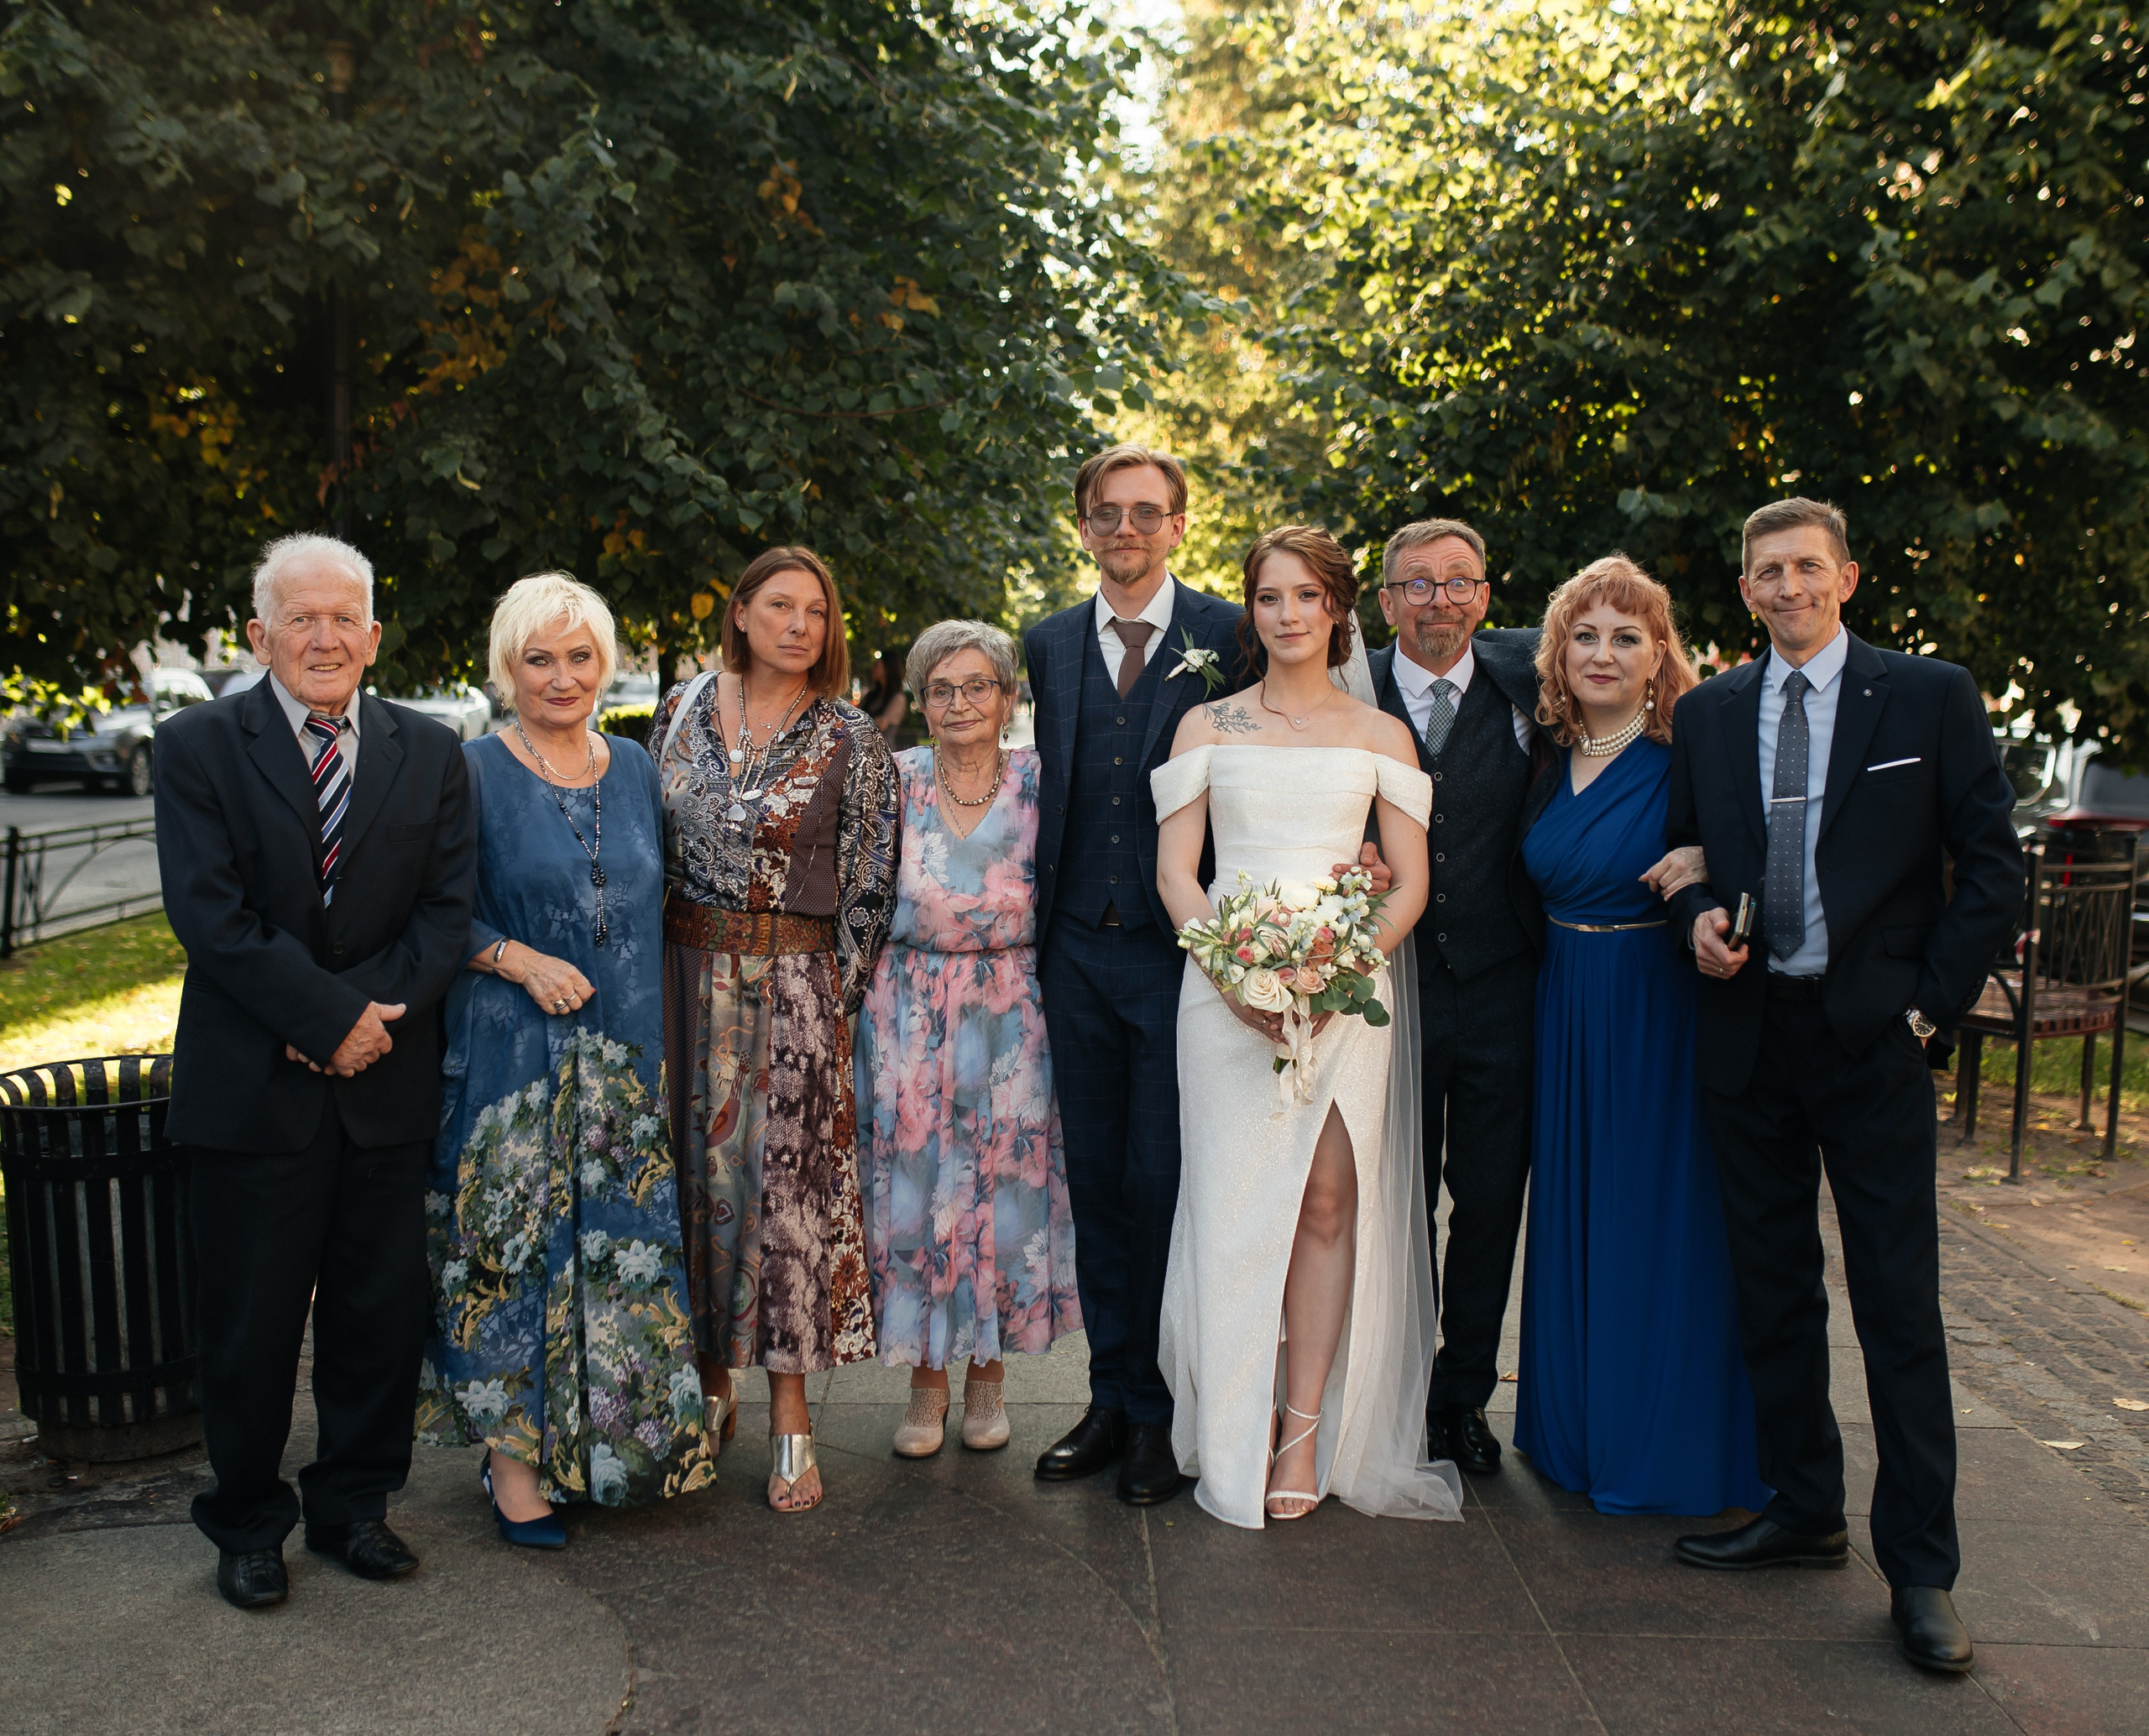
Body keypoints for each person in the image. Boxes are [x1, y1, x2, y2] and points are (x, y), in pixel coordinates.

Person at [1663, 498, 2023, 1674]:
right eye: (1768, 569)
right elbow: (1685, 859)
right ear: (1748, 588)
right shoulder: (1710, 712)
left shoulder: (1929, 696)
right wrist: (1696, 920)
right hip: (1748, 1035)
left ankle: (1922, 1571)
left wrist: (1926, 1003)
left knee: (1898, 1309)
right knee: (1772, 1292)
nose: (1789, 585)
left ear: (1848, 578)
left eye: (1808, 566)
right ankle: (1803, 1507)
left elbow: (1992, 870)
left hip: (1872, 1039)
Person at [154, 532, 478, 1609]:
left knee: (376, 1316)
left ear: (375, 635)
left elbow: (444, 914)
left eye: (345, 618)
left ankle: (354, 1505)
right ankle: (247, 1523)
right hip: (255, 1087)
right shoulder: (197, 745)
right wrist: (323, 1016)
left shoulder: (433, 752)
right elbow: (212, 917)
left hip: (384, 1085)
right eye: (302, 617)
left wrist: (359, 1022)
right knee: (248, 1325)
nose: (325, 637)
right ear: (260, 635)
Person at [1153, 525, 1459, 1528]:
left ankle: (1300, 1425)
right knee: (1235, 1206)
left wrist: (1335, 976)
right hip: (1225, 997)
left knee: (1327, 1202)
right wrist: (1238, 977)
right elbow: (1177, 875)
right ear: (1251, 610)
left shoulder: (1380, 739)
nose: (1287, 615)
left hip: (1341, 996)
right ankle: (1228, 1419)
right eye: (1269, 598)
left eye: (1306, 597)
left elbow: (1408, 881)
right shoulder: (1207, 727)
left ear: (1337, 611)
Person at [416, 573, 714, 1548]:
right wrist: (514, 957)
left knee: (615, 1260)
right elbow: (426, 908)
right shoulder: (467, 769)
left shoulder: (632, 764)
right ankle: (512, 1466)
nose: (561, 675)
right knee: (514, 1259)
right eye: (539, 658)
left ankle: (605, 1450)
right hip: (511, 1063)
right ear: (507, 667)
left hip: (623, 1065)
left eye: (579, 656)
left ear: (606, 663)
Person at [1510, 556, 1769, 1517]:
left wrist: (1713, 855)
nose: (1603, 653)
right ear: (1558, 652)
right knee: (1575, 1213)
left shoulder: (1688, 757)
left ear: (1660, 655)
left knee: (1655, 1220)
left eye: (1627, 637)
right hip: (1564, 1006)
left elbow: (1759, 855)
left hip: (1657, 1011)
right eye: (1585, 635)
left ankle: (1661, 1440)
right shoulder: (1542, 757)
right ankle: (1573, 1429)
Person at [1022, 443, 1255, 1506]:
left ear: (1177, 526)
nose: (1126, 529)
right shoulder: (1050, 641)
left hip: (1180, 954)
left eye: (1145, 513)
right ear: (1082, 526)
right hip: (1073, 946)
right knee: (1095, 1181)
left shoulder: (1229, 635)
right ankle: (1107, 1395)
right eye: (1106, 513)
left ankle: (1163, 1411)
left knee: (1164, 1180)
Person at [650, 546, 900, 1514]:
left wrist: (832, 1006)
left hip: (795, 985)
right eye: (780, 605)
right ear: (742, 612)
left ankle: (791, 1415)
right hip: (678, 979)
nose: (801, 625)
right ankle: (708, 1390)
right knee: (687, 1190)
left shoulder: (851, 736)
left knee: (786, 1204)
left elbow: (870, 888)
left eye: (817, 612)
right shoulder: (676, 710)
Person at [855, 620, 1080, 1457]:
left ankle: (988, 1378)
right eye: (941, 687)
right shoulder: (893, 777)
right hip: (909, 1008)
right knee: (916, 1195)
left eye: (977, 684)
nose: (959, 702)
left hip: (1013, 1011)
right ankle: (924, 1383)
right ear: (919, 701)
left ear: (1008, 696)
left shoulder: (1039, 782)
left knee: (1003, 1192)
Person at [1365, 520, 1544, 1477]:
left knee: (1487, 1200)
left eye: (1459, 583)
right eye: (1417, 585)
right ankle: (1391, 1386)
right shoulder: (1350, 692)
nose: (1440, 601)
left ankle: (1463, 1393)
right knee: (1392, 1199)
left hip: (1501, 987)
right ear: (1385, 600)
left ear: (1485, 595)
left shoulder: (1531, 687)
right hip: (1385, 991)